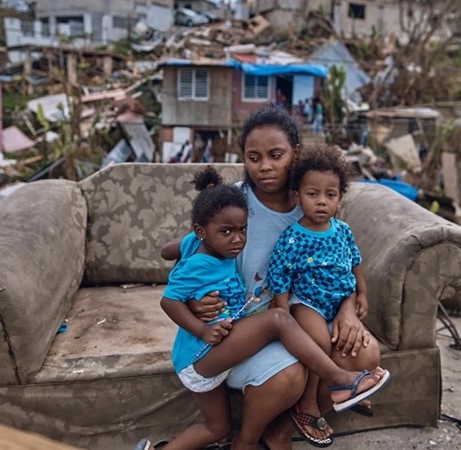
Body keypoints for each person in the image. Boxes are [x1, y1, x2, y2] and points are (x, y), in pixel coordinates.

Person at [162, 106, 380, 449]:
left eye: (276, 155)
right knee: (289, 375)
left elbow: (341, 264)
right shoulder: (230, 204)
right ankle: (250, 438)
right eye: (254, 157)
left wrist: (348, 308)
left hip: (303, 314)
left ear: (296, 155)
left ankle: (284, 424)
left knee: (365, 355)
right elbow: (190, 259)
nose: (265, 166)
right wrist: (193, 302)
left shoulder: (315, 201)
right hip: (241, 327)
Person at [266, 145, 372, 443]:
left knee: (357, 345)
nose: (322, 202)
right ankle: (309, 401)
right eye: (313, 194)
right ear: (298, 196)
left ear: (340, 196)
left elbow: (355, 264)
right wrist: (284, 311)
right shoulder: (293, 237)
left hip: (339, 302)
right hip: (307, 302)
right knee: (322, 342)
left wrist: (362, 294)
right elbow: (279, 277)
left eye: (330, 194)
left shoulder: (342, 231)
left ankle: (354, 387)